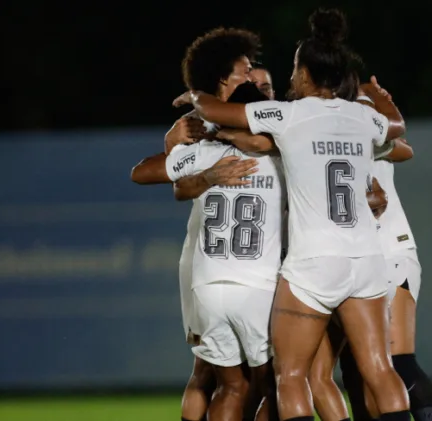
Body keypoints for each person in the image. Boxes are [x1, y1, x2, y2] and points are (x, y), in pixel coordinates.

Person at [173, 8, 411, 421]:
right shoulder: (362, 117)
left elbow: (218, 112)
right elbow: (395, 127)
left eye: (295, 69)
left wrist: (194, 97)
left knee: (291, 376)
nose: (290, 79)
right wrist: (384, 101)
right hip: (366, 259)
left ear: (306, 74)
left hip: (313, 264)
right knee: (379, 368)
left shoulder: (289, 114)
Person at [131, 26, 262, 421]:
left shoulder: (208, 140)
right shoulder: (260, 137)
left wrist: (183, 148)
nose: (255, 75)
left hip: (211, 273)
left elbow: (159, 178)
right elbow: (178, 187)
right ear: (224, 77)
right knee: (250, 379)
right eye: (247, 68)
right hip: (246, 271)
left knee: (225, 380)